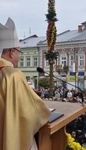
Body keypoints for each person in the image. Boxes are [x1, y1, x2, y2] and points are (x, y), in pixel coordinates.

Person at [0, 18, 51, 150]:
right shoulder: (13, 75)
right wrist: (44, 112)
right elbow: (30, 112)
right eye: (19, 52)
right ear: (12, 52)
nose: (20, 56)